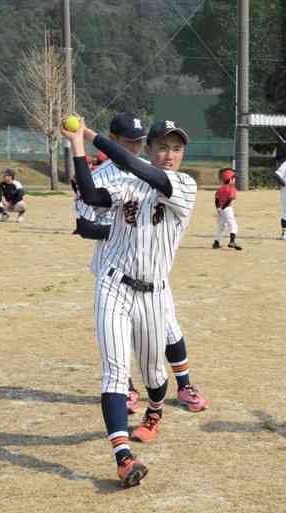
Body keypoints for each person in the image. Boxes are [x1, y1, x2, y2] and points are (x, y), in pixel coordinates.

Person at [62, 116, 198, 488]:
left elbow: (131, 165)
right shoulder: (128, 180)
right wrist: (76, 145)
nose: (169, 155)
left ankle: (155, 411)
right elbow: (91, 198)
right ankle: (123, 456)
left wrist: (92, 137)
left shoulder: (184, 185)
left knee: (155, 375)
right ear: (150, 149)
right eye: (162, 147)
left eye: (176, 148)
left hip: (154, 294)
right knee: (115, 371)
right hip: (114, 286)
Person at [213, 167, 242, 250]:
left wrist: (219, 208)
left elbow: (216, 200)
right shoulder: (232, 188)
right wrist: (224, 207)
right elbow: (229, 199)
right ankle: (232, 241)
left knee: (221, 226)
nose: (234, 180)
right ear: (230, 180)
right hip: (227, 209)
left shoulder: (220, 188)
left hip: (220, 210)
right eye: (233, 178)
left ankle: (216, 242)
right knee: (233, 225)